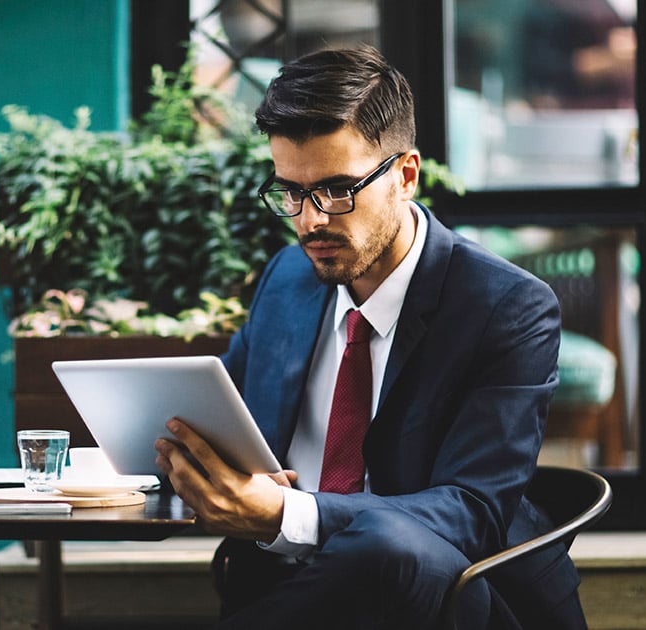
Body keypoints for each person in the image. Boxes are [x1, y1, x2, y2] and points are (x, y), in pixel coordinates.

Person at [154, 46, 584, 629]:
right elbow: (218, 421)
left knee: (388, 546)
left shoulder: (506, 307)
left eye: (336, 190)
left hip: (453, 598)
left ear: (405, 175)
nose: (310, 220)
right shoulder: (287, 281)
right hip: (291, 589)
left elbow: (471, 512)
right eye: (291, 192)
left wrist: (290, 514)